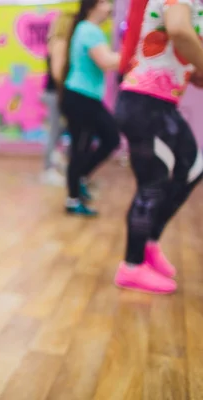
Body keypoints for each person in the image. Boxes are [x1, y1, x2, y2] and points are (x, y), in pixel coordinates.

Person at [113, 0, 203, 294]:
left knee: (193, 167)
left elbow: (181, 47)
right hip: (144, 102)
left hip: (162, 104)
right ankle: (131, 266)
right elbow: (178, 30)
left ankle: (149, 241)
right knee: (152, 185)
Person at [60, 0, 121, 216]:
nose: (110, 7)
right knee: (81, 148)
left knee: (111, 138)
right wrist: (136, 54)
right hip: (80, 98)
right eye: (106, 2)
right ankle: (72, 199)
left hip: (87, 98)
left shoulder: (88, 29)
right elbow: (106, 61)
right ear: (92, 5)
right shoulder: (88, 30)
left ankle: (81, 177)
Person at [41, 12, 74, 186]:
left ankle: (55, 165)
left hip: (53, 93)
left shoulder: (56, 43)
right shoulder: (59, 43)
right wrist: (65, 93)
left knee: (59, 130)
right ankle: (48, 170)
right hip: (55, 93)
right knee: (55, 131)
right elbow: (57, 73)